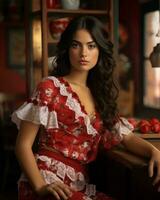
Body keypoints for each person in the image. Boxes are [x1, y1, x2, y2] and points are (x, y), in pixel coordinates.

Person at [12, 15, 160, 200]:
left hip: (79, 186)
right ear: (67, 49)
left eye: (91, 46)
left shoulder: (100, 97)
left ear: (100, 50)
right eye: (76, 45)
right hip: (46, 180)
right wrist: (41, 187)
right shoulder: (50, 87)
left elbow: (125, 137)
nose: (84, 53)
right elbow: (23, 145)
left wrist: (154, 151)